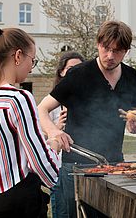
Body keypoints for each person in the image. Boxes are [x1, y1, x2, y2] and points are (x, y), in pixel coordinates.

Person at [38, 20, 136, 218]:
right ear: (98, 44)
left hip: (114, 164)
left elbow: (135, 116)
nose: (110, 56)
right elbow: (42, 108)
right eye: (106, 48)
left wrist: (135, 124)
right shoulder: (78, 74)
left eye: (118, 51)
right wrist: (53, 131)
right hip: (76, 166)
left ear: (126, 51)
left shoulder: (132, 77)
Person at [0, 28, 61, 218]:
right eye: (32, 60)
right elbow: (41, 166)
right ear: (18, 56)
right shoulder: (18, 98)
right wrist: (55, 143)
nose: (31, 67)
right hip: (17, 204)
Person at [47, 51, 84, 218]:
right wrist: (57, 127)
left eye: (79, 69)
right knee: (63, 213)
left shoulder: (86, 100)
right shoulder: (52, 103)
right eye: (70, 69)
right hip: (59, 169)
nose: (75, 73)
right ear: (61, 72)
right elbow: (42, 139)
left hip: (82, 168)